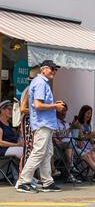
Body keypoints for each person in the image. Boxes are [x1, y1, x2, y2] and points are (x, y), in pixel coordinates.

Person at [16, 60, 66, 193]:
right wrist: (55, 106)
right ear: (43, 69)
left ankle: (47, 182)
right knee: (39, 152)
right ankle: (23, 181)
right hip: (42, 123)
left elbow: (39, 105)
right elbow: (38, 105)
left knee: (47, 153)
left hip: (46, 123)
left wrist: (54, 104)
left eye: (56, 69)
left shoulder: (43, 83)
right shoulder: (40, 83)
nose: (54, 71)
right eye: (52, 69)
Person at [53, 102, 81, 184]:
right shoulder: (54, 122)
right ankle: (71, 168)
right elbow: (59, 136)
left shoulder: (66, 123)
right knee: (69, 145)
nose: (63, 113)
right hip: (59, 146)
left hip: (70, 146)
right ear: (56, 111)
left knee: (71, 144)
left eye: (65, 111)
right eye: (62, 110)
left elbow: (71, 136)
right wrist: (71, 128)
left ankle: (70, 173)